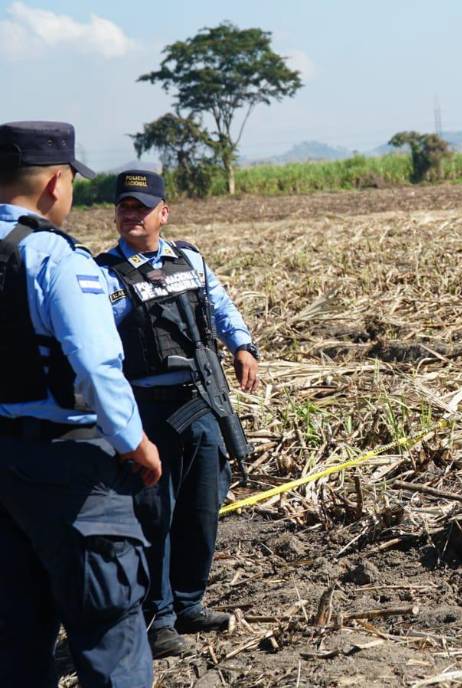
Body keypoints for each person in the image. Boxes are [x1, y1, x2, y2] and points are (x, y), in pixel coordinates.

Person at [0, 121, 161, 686]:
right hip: (72, 471)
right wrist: (134, 443)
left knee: (15, 640)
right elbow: (96, 365)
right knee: (109, 634)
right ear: (54, 184)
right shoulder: (57, 258)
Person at [96, 170, 259, 658]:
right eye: (124, 206)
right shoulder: (106, 274)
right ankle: (158, 616)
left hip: (201, 403)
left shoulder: (189, 259)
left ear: (162, 213)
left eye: (141, 207)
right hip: (150, 410)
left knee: (202, 509)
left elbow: (221, 307)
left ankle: (189, 603)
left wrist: (243, 346)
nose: (131, 215)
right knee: (155, 517)